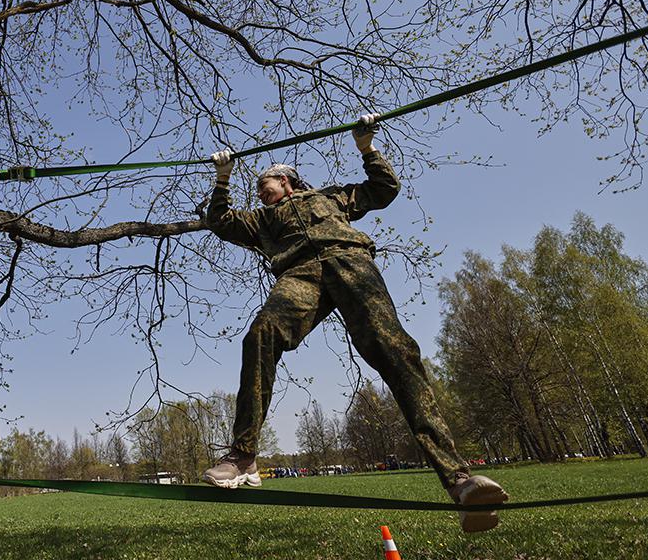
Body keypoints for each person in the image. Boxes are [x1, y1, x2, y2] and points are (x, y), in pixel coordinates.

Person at [200, 115, 509, 532]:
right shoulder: (263, 220)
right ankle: (243, 455)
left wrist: (367, 147)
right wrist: (223, 178)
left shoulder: (333, 197)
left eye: (264, 183)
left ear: (287, 180)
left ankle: (460, 481)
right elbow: (220, 221)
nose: (259, 190)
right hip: (300, 275)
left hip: (350, 263)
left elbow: (384, 190)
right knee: (261, 333)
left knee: (394, 349)